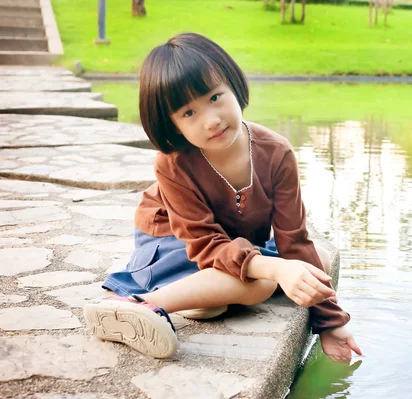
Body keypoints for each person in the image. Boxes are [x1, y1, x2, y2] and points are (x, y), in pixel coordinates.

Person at [83, 32, 362, 364]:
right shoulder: (174, 162)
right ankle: (141, 307)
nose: (211, 120)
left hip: (232, 240)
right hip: (174, 238)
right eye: (189, 113)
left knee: (316, 265)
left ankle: (204, 295)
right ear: (171, 124)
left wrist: (330, 323)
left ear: (234, 85)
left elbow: (294, 240)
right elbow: (204, 245)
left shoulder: (277, 153)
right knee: (258, 284)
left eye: (215, 97)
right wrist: (273, 269)